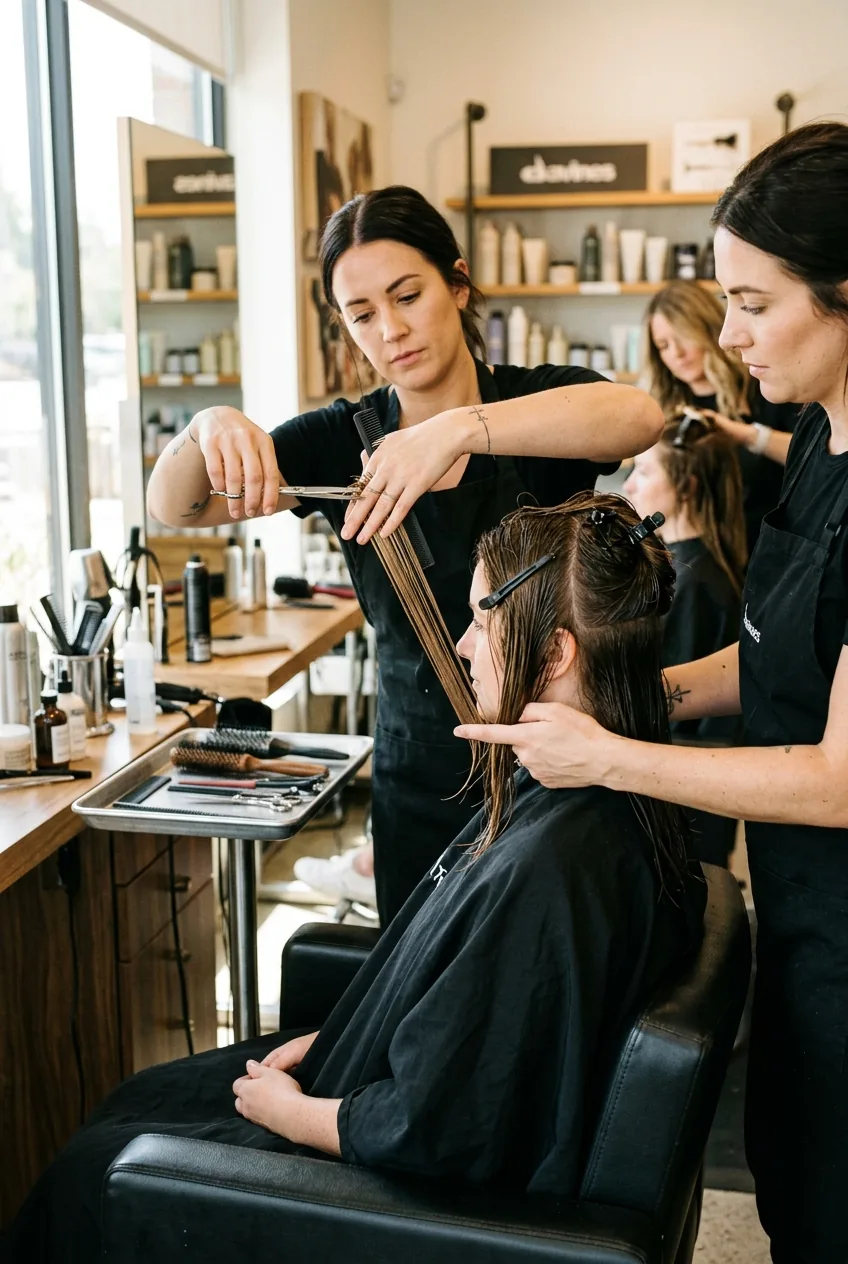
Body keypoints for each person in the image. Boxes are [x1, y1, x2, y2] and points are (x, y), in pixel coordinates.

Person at [5, 493, 705, 1263]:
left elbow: (439, 1128)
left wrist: (291, 1114)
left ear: (559, 653)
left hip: (392, 1189)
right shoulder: (604, 799)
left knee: (101, 1165)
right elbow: (475, 1022)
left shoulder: (560, 864)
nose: (465, 646)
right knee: (138, 1102)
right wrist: (335, 1038)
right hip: (372, 1088)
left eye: (481, 618)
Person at [453, 123, 848, 1264]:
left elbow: (834, 777)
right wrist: (622, 696)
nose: (724, 335)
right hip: (800, 915)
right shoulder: (820, 442)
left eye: (752, 303)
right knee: (794, 1189)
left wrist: (606, 756)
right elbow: (777, 661)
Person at [146, 184, 663, 925]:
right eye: (362, 315)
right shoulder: (339, 438)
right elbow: (175, 507)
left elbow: (637, 416)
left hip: (558, 765)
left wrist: (458, 430)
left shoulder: (533, 408)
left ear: (457, 283)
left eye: (408, 295)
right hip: (416, 771)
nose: (390, 329)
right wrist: (206, 426)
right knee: (421, 1000)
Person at [623, 410, 746, 865]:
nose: (630, 485)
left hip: (682, 803)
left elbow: (671, 700)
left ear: (687, 487)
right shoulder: (680, 568)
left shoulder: (696, 585)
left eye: (645, 471)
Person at [643, 279, 798, 553]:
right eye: (664, 345)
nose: (676, 354)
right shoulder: (664, 409)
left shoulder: (763, 386)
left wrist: (746, 435)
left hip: (765, 551)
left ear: (710, 329)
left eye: (684, 337)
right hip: (693, 560)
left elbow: (816, 455)